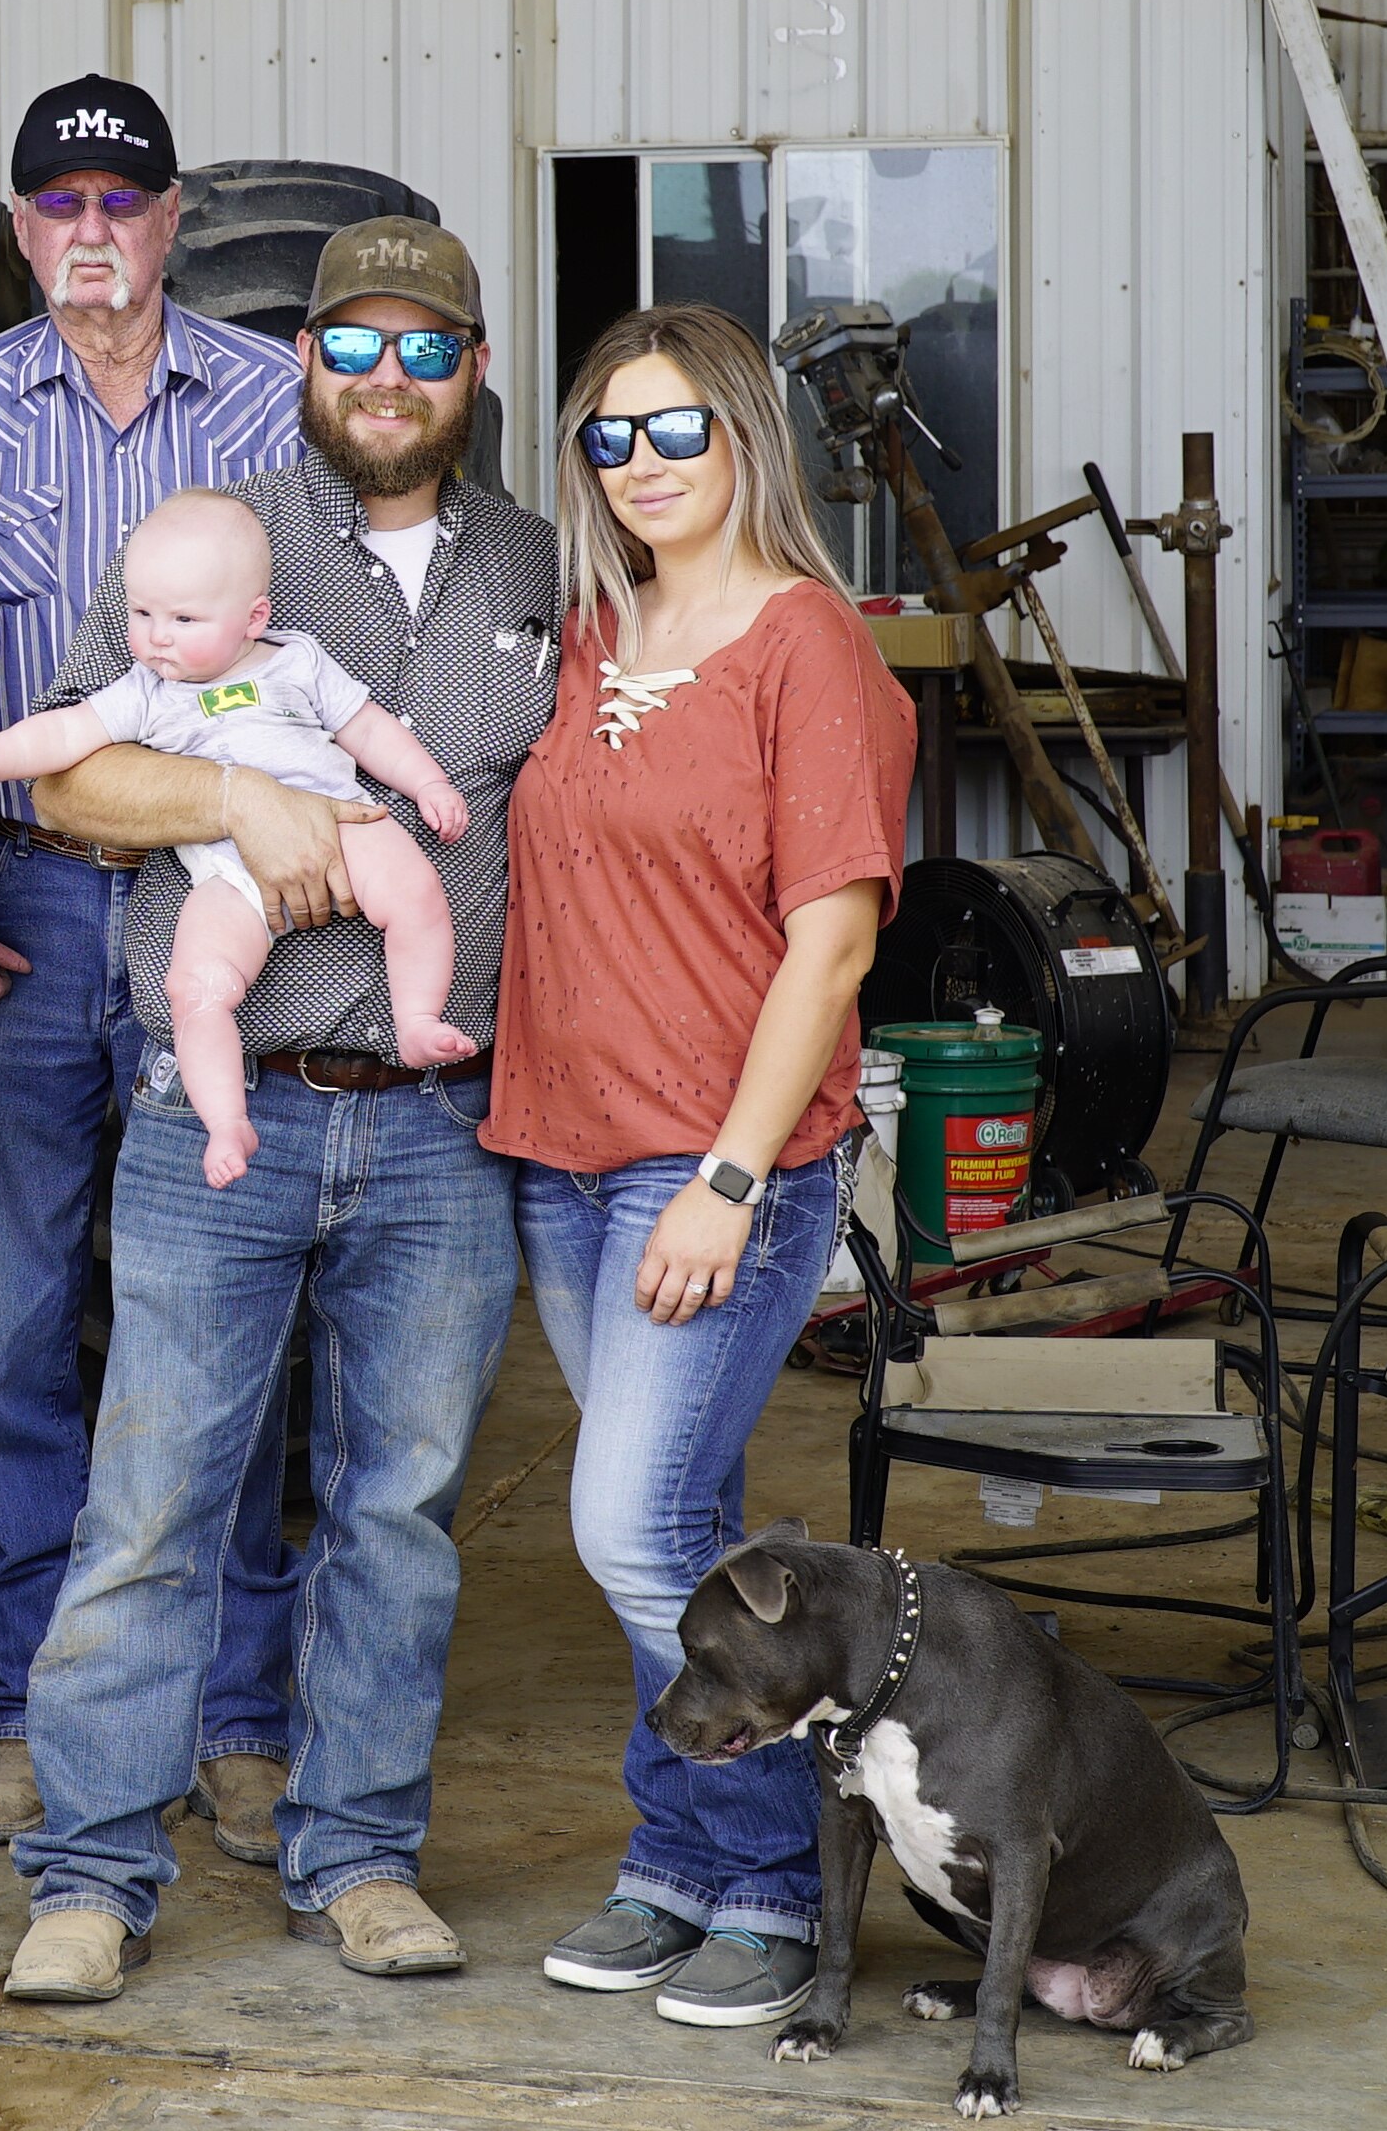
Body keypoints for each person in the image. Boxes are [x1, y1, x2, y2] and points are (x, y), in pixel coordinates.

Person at [0, 216, 559, 2005]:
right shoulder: (216, 540)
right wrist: (241, 794)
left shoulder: (545, 560)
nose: (385, 378)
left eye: (426, 347)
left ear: (476, 368)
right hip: (218, 1109)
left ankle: (363, 1853)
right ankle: (89, 1870)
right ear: (301, 356)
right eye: (352, 343)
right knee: (152, 1502)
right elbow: (68, 779)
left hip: (439, 1131)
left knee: (396, 1514)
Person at [0, 74, 307, 1860]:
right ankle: (36, 1708)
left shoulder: (279, 403)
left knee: (227, 1315)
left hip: (230, 906)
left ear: (175, 214)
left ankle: (234, 1708)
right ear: (20, 225)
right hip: (35, 914)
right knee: (6, 1329)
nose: (90, 234)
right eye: (56, 204)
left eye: (121, 202)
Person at [486, 303, 915, 2031]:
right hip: (562, 1154)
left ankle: (776, 1880)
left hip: (713, 1165)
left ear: (749, 439)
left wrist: (729, 1183)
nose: (645, 465)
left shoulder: (812, 646)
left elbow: (831, 949)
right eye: (611, 434)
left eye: (680, 431)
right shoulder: (593, 635)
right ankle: (683, 1866)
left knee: (631, 1526)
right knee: (682, 1529)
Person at [0, 487, 475, 1186]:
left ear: (255, 617)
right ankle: (225, 1122)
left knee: (417, 892)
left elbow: (368, 729)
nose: (157, 636)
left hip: (340, 823)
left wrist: (428, 785)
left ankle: (417, 1016)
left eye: (184, 618)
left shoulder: (296, 662)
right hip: (226, 876)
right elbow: (65, 733)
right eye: (142, 614)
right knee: (197, 990)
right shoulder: (146, 690)